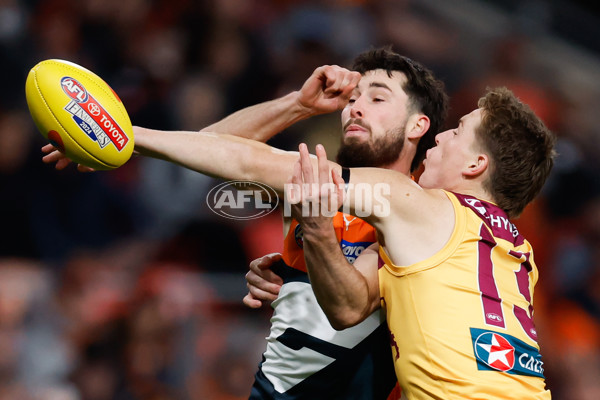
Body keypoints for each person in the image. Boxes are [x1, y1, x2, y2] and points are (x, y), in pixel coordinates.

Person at [42, 47, 449, 399]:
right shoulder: (315, 188)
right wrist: (299, 104)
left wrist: (119, 135)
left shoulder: (415, 207)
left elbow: (349, 308)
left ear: (418, 125)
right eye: (354, 98)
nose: (355, 107)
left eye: (377, 99)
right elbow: (212, 149)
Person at [285, 87, 556, 399]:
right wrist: (299, 269)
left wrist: (292, 106)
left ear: (475, 165)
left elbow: (261, 168)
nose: (441, 136)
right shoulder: (520, 253)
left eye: (458, 130)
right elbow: (348, 306)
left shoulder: (426, 206)